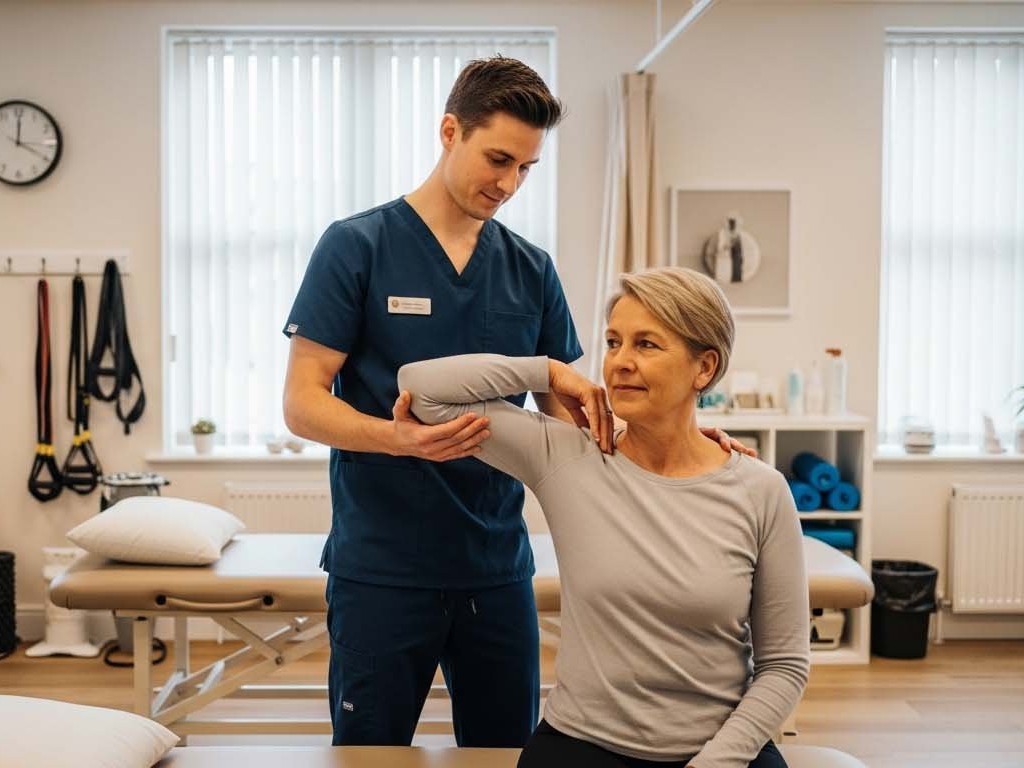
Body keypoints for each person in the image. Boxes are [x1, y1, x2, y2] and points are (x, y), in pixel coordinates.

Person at [282, 57, 750, 748]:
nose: (508, 184)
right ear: (450, 131)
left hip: (496, 568)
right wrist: (398, 439)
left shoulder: (529, 269)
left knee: (506, 757)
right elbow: (301, 404)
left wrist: (687, 444)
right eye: (498, 158)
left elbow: (574, 417)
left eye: (526, 168)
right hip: (383, 567)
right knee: (369, 758)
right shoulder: (358, 247)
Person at [398, 266, 808, 768]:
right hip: (582, 745)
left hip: (719, 750)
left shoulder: (762, 491)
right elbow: (421, 389)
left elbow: (784, 665)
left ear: (704, 368)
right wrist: (547, 371)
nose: (620, 363)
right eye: (614, 343)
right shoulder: (567, 457)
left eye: (647, 345)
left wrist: (717, 761)